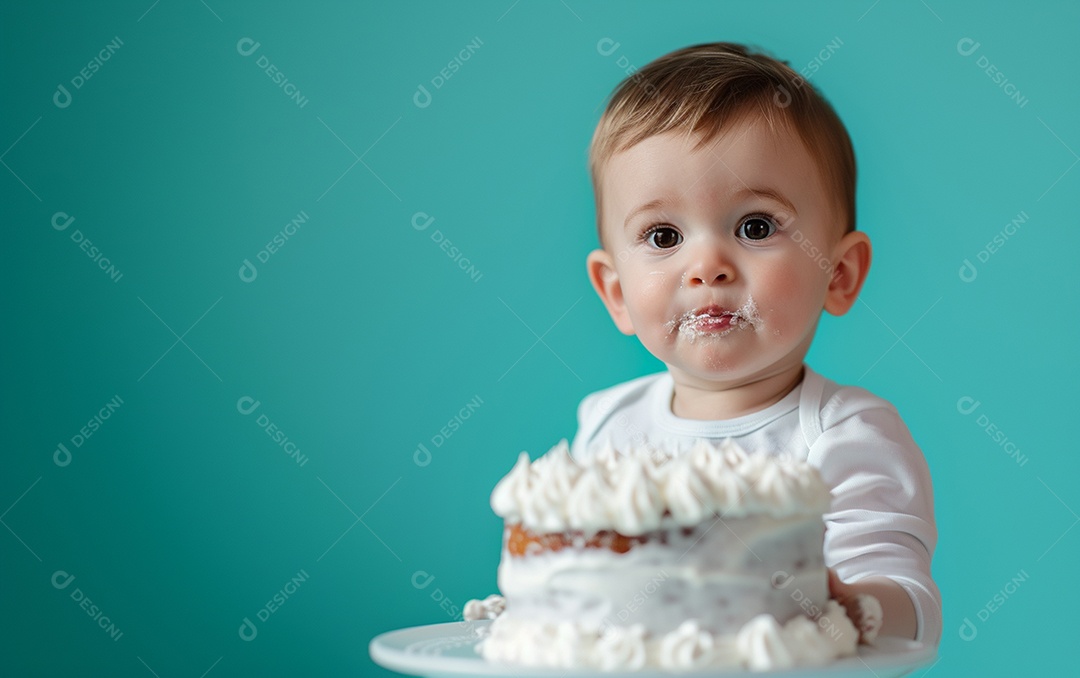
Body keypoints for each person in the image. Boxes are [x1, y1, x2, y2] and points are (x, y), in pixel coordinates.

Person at [570, 42, 941, 645]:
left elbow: (910, 606)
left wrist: (850, 606)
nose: (706, 266)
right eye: (663, 235)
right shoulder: (607, 428)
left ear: (839, 274)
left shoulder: (845, 437)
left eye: (756, 227)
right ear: (615, 293)